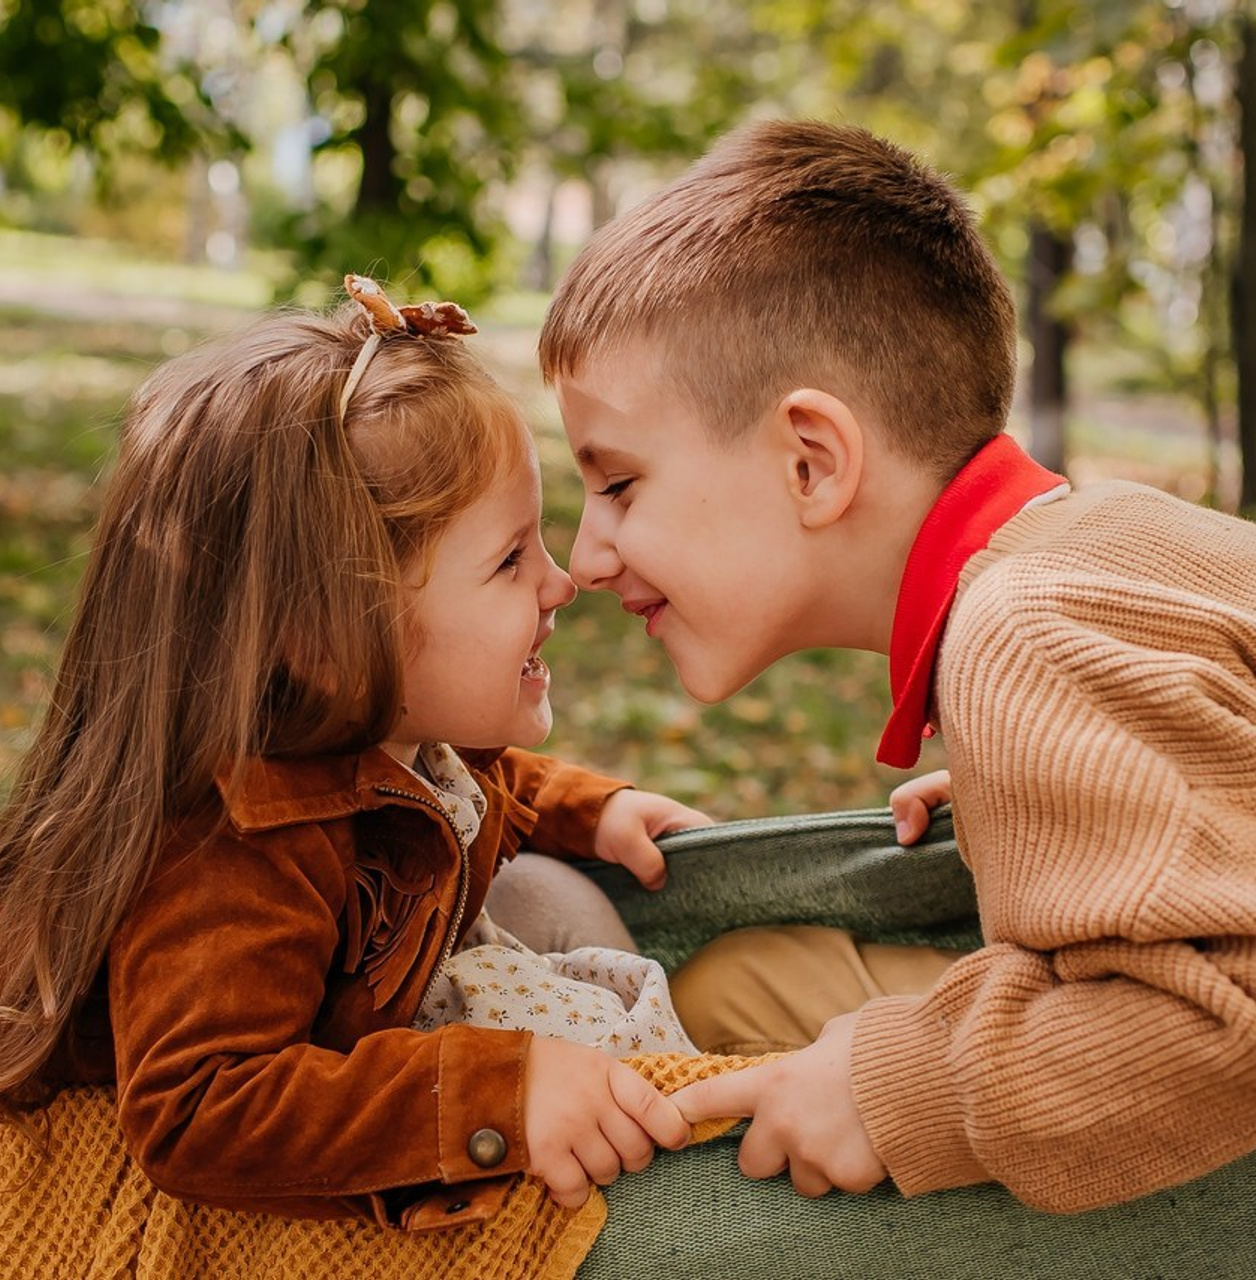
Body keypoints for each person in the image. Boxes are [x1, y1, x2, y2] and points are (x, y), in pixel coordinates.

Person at [537, 118, 1256, 1213]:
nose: (584, 557)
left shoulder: (1022, 633)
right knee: (734, 980)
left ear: (810, 461)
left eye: (619, 485)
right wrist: (1036, 784)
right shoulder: (1089, 544)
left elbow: (1227, 1018)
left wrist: (899, 1092)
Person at [0, 273, 714, 1226]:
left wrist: (589, 808)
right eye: (508, 560)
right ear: (329, 643)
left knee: (563, 908)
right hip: (124, 1174)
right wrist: (491, 1097)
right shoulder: (234, 851)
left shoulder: (387, 732)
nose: (561, 581)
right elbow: (201, 1107)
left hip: (395, 1014)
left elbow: (463, 781)